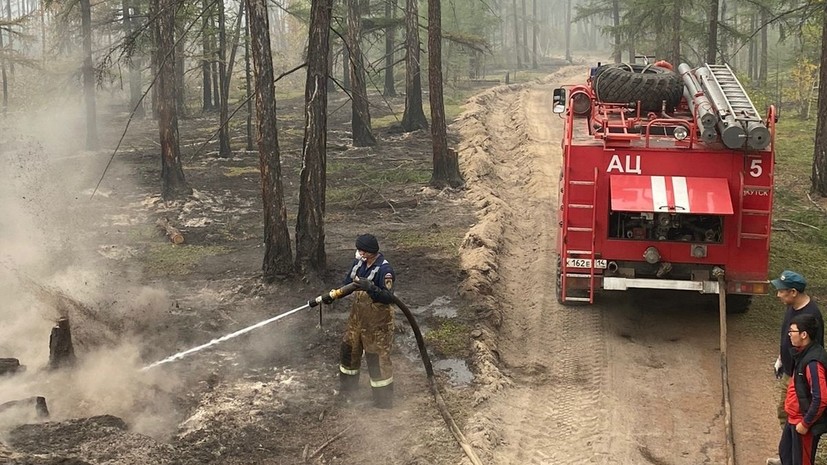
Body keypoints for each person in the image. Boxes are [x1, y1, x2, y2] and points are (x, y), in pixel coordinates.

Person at [334, 233, 396, 409]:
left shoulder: (385, 270)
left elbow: (387, 298)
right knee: (349, 352)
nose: (359, 253)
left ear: (370, 252)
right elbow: (348, 283)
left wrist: (372, 289)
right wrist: (334, 295)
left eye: (362, 250)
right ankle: (348, 392)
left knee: (376, 359)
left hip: (377, 324)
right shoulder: (358, 264)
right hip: (357, 321)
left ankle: (383, 401)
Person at [768, 313, 827, 465]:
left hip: (803, 423)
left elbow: (821, 398)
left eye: (792, 331)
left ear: (804, 334)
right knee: (786, 453)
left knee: (801, 461)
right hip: (793, 418)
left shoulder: (814, 362)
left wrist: (805, 423)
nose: (789, 335)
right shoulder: (802, 353)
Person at [772, 271, 824, 426]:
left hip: (799, 376)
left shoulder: (811, 316)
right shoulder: (792, 306)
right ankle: (787, 445)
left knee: (791, 414)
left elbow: (815, 351)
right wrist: (781, 357)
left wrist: (802, 379)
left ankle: (792, 447)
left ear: (793, 292)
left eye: (781, 291)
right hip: (789, 369)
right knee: (784, 411)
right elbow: (788, 336)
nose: (778, 295)